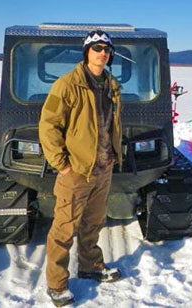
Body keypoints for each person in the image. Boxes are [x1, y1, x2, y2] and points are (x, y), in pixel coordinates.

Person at [38, 29, 123, 307]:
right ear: (86, 51)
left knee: (94, 223)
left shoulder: (111, 84)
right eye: (97, 47)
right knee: (64, 229)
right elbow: (49, 125)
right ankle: (57, 284)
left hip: (103, 167)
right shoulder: (67, 85)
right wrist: (62, 164)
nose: (103, 52)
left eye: (107, 49)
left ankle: (90, 266)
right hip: (76, 170)